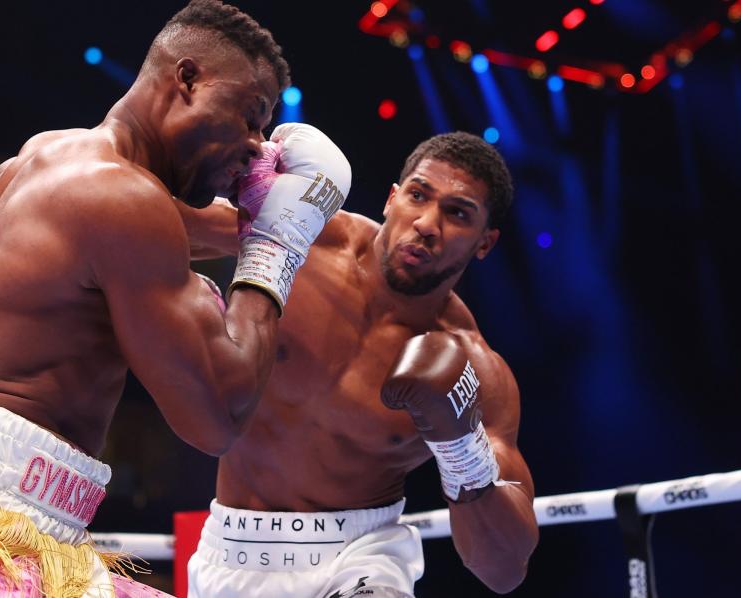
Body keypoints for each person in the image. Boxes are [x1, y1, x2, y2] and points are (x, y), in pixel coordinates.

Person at [0, 1, 351, 596]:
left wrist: (259, 216)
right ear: (187, 79)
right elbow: (218, 417)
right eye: (251, 116)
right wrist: (274, 244)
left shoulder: (40, 157)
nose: (257, 146)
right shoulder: (130, 203)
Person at [180, 132, 539, 597]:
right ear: (393, 198)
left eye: (458, 213)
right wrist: (229, 172)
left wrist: (464, 452)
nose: (428, 223)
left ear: (485, 243)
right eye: (418, 195)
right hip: (231, 551)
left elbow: (504, 568)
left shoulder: (476, 368)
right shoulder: (305, 235)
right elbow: (148, 218)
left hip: (362, 556)